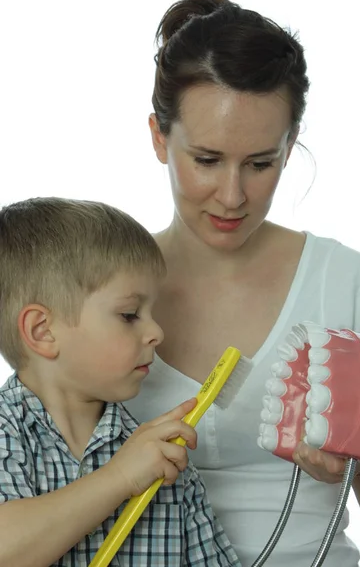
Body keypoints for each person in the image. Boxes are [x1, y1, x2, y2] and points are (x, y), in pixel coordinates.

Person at [126, 0, 360, 567]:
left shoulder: (343, 281)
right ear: (158, 137)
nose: (233, 196)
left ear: (290, 144)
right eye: (206, 159)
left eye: (261, 163)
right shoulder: (96, 289)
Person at [0, 197, 241, 567]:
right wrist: (120, 478)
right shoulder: (6, 431)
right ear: (42, 331)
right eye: (129, 315)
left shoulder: (163, 457)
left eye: (152, 313)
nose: (157, 332)